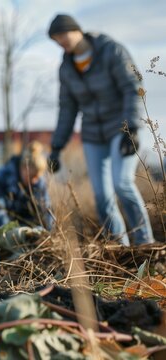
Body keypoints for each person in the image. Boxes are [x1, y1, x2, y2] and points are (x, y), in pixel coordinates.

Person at [47, 14, 154, 246]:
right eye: (56, 39)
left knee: (122, 183)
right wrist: (56, 147)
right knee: (102, 196)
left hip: (121, 128)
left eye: (63, 35)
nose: (61, 42)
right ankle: (120, 247)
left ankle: (146, 243)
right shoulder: (66, 68)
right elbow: (67, 109)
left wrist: (132, 128)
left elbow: (132, 87)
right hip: (93, 135)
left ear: (77, 30)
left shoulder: (110, 51)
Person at [0, 141, 53, 232]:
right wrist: (10, 232)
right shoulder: (2, 176)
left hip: (26, 224)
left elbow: (47, 210)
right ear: (23, 168)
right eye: (32, 176)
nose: (34, 181)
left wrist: (49, 232)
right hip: (0, 223)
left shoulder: (39, 183)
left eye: (37, 177)